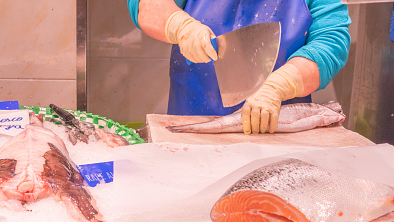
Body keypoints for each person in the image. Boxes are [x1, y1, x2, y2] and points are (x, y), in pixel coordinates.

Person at [127, 0, 351, 134]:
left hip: (279, 128)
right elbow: (145, 4)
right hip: (192, 125)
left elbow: (331, 39)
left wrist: (282, 84)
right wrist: (179, 25)